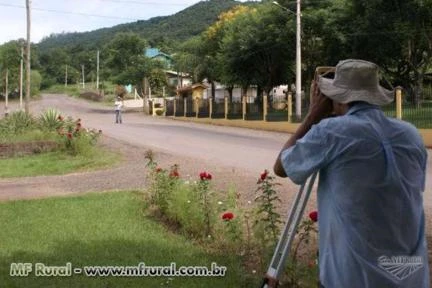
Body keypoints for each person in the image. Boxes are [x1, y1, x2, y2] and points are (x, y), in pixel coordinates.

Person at [274, 59, 429, 288]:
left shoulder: (332, 132)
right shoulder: (411, 135)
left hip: (352, 277)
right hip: (411, 278)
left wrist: (312, 116)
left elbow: (281, 167)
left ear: (337, 98)